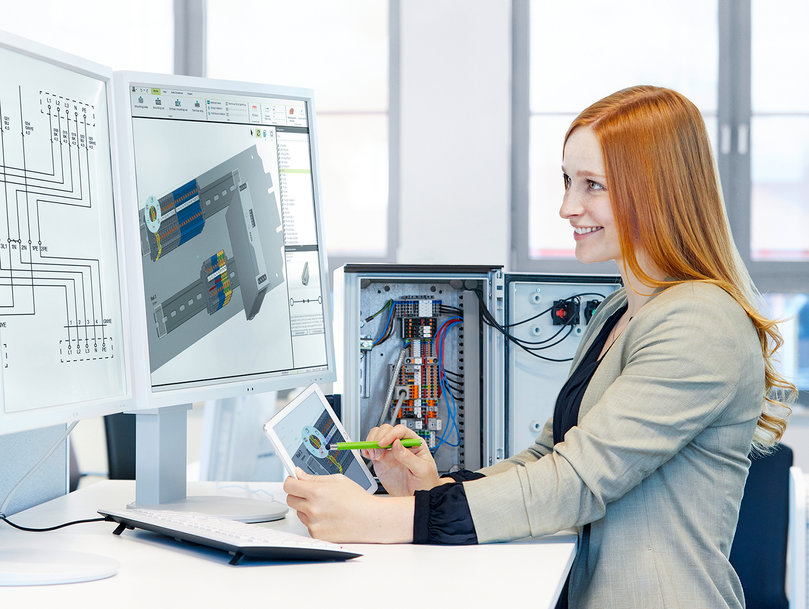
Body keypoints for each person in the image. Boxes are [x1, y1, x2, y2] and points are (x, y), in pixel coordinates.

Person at [283, 86, 796, 608]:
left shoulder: (699, 322)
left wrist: (379, 519)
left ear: (657, 191)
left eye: (592, 185)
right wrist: (433, 491)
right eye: (568, 181)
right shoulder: (619, 310)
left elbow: (575, 482)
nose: (568, 207)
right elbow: (549, 456)